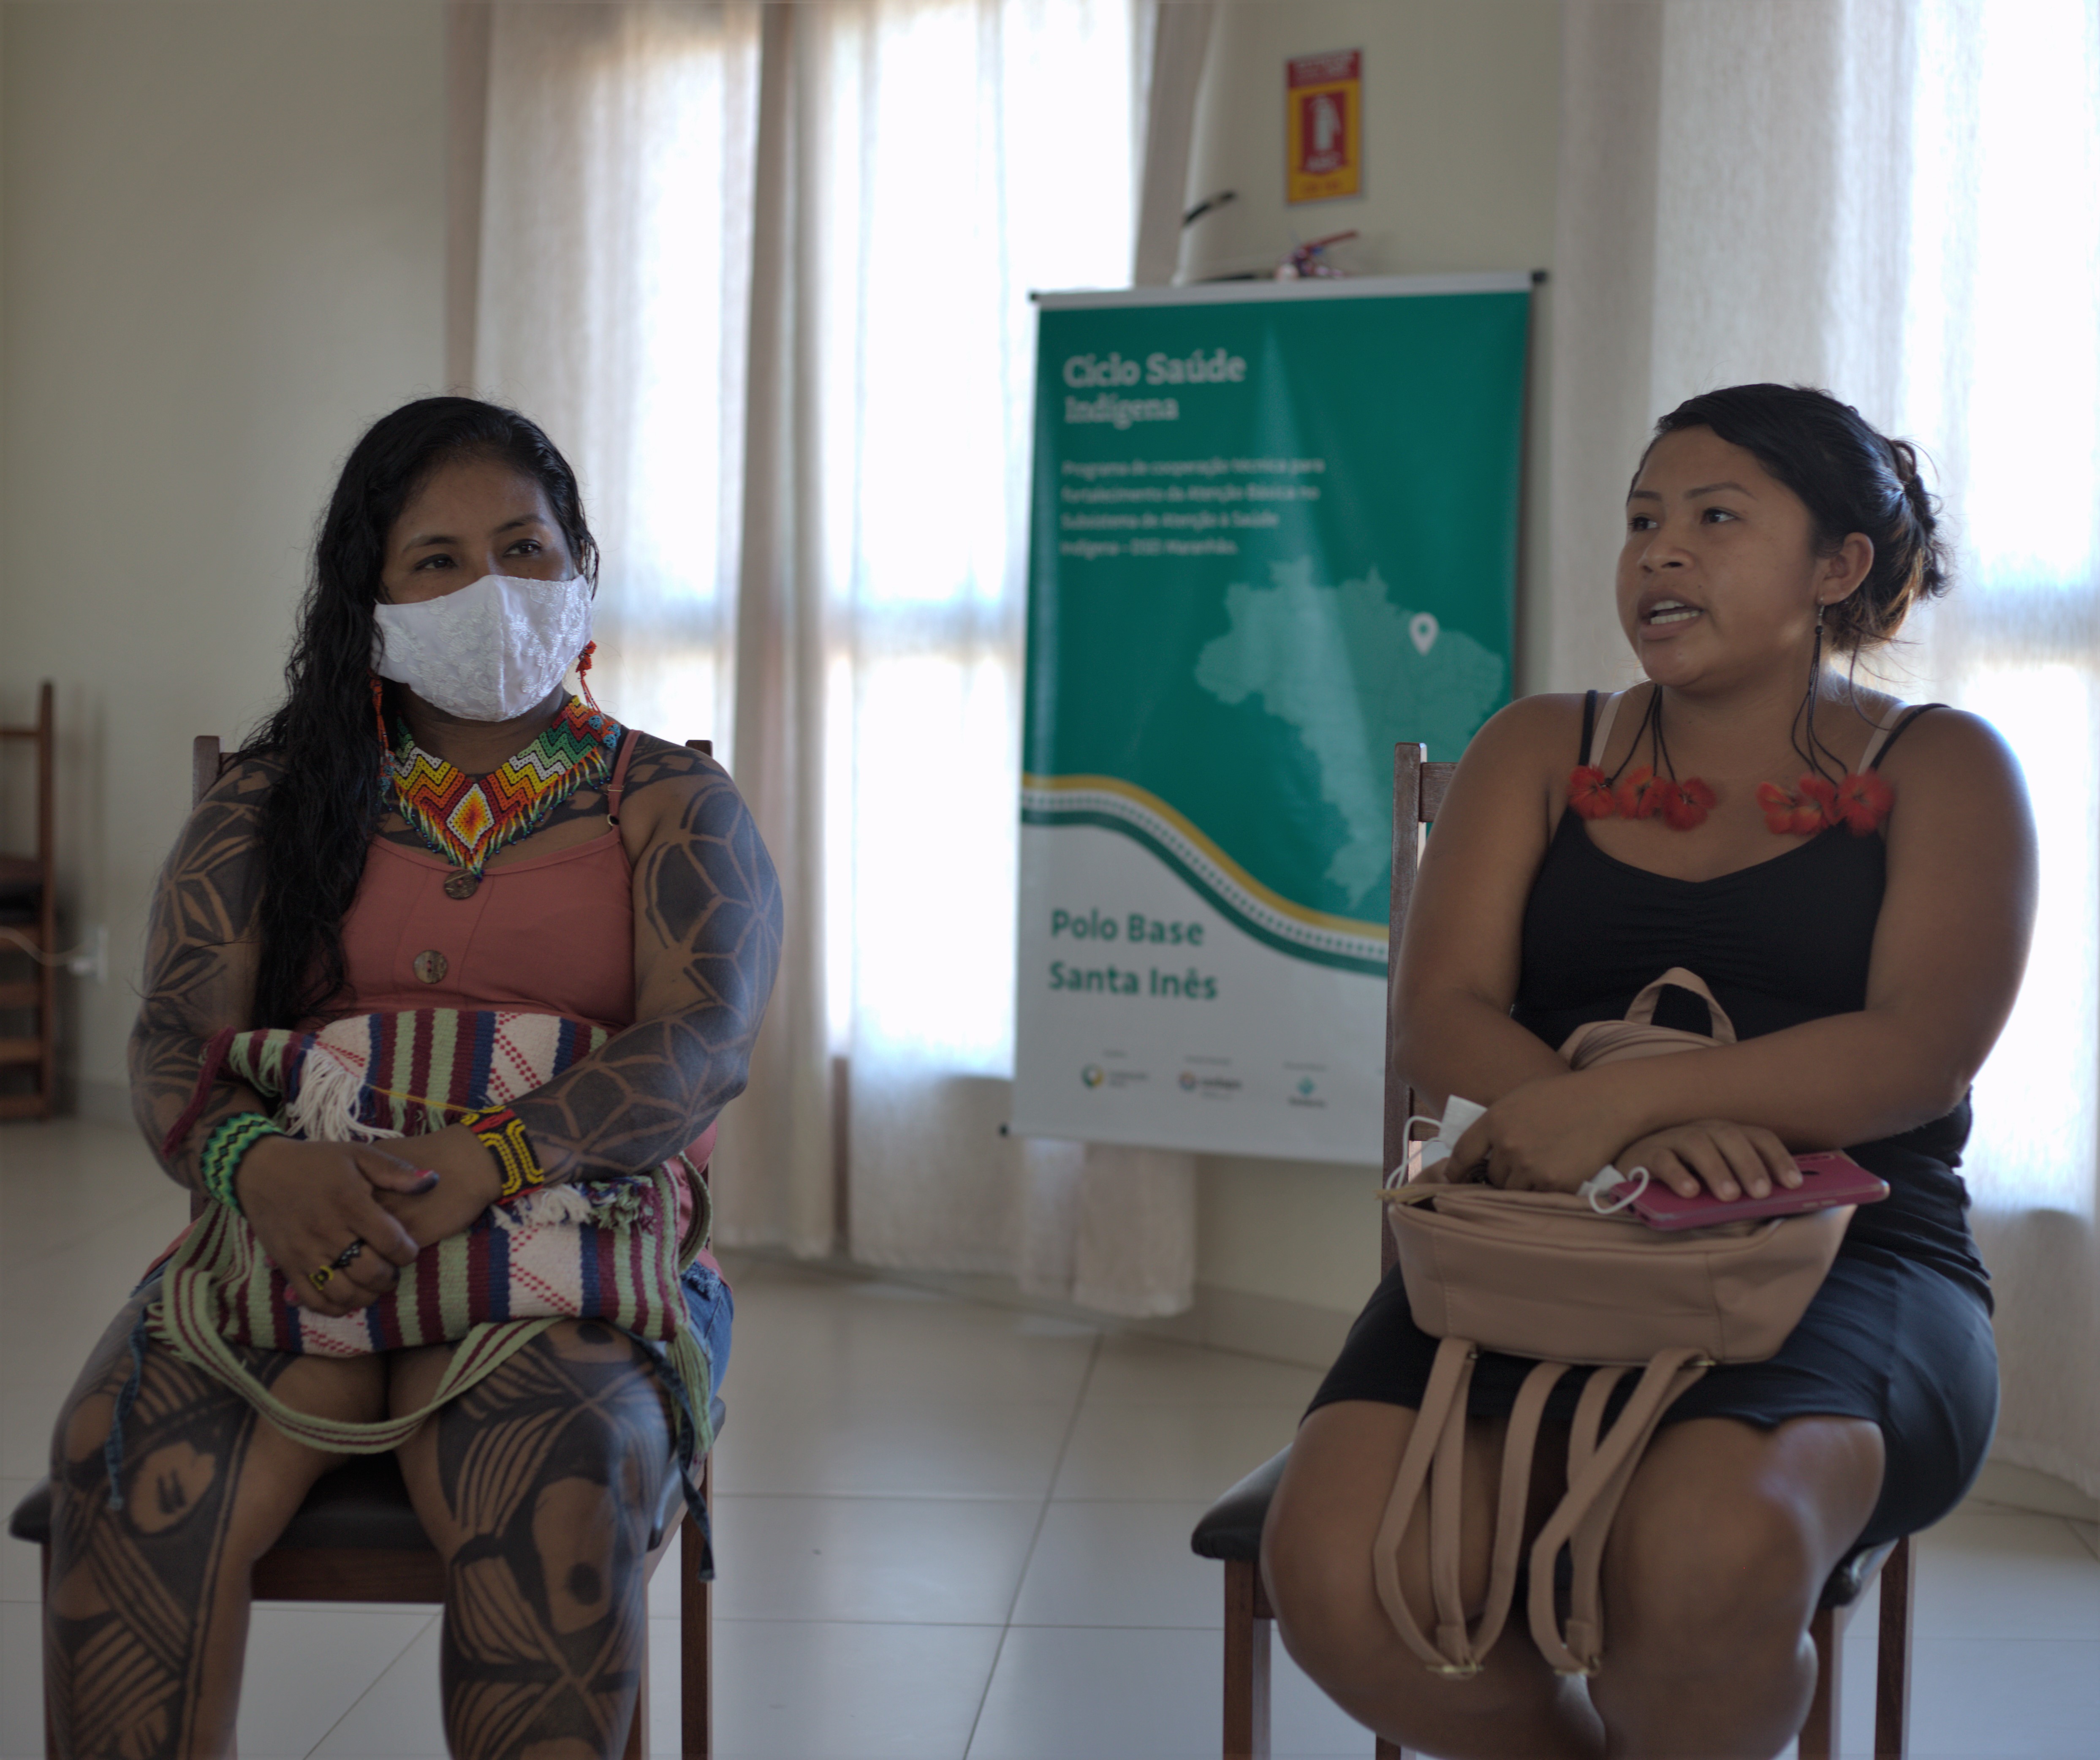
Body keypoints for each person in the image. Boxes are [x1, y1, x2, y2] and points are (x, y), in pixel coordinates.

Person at [1263, 384, 2034, 1760]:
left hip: (1851, 1254)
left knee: (1702, 1556)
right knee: (1336, 1573)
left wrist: (1628, 1107)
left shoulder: (1947, 767)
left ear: (1838, 567)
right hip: (1545, 1235)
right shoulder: (1540, 748)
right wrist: (1613, 1152)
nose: (1659, 553)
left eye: (1716, 518)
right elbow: (1439, 1019)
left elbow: (1921, 1054)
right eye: (1641, 521)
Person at [44, 397, 779, 1759]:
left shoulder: (669, 802)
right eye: (436, 561)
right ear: (369, 602)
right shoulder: (273, 800)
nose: (490, 588)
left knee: (557, 1478)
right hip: (298, 1226)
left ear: (582, 571)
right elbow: (170, 1039)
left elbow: (702, 1045)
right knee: (120, 1456)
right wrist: (257, 1168)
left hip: (566, 1230)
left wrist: (483, 1164)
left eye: (524, 548)